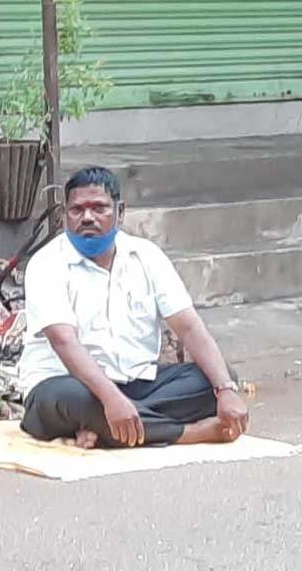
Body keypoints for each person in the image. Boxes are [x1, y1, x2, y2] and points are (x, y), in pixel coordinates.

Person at [19, 166, 250, 449]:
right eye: (77, 210)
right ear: (65, 214)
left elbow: (188, 327)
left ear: (121, 211)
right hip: (67, 385)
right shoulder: (47, 263)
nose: (88, 217)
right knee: (75, 398)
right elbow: (64, 342)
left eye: (99, 208)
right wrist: (111, 400)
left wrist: (225, 389)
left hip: (137, 383)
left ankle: (107, 428)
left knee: (215, 377)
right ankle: (189, 433)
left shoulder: (146, 256)